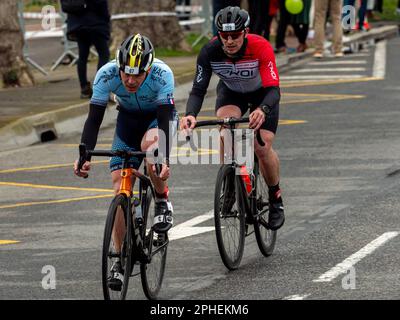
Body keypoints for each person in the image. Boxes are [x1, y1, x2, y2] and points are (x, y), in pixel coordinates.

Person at [74, 34, 178, 290]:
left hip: (158, 121)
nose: (130, 81)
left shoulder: (162, 75)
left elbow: (165, 118)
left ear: (148, 69)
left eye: (137, 75)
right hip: (127, 123)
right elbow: (94, 119)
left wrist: (163, 157)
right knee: (119, 185)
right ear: (118, 67)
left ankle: (162, 201)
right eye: (126, 74)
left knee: (151, 150)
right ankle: (119, 261)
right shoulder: (106, 74)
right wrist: (84, 155)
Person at [180, 6, 285, 231]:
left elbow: (274, 90)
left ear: (245, 32)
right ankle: (229, 182)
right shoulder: (209, 52)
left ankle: (276, 199)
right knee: (225, 127)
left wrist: (263, 110)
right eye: (224, 36)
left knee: (262, 147)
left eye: (235, 35)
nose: (229, 41)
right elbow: (198, 90)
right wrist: (190, 115)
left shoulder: (260, 46)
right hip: (231, 93)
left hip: (262, 94)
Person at [64, 0, 111, 99]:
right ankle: (100, 87)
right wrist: (106, 19)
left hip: (78, 25)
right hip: (96, 23)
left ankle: (84, 88)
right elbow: (101, 4)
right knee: (104, 54)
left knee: (82, 57)